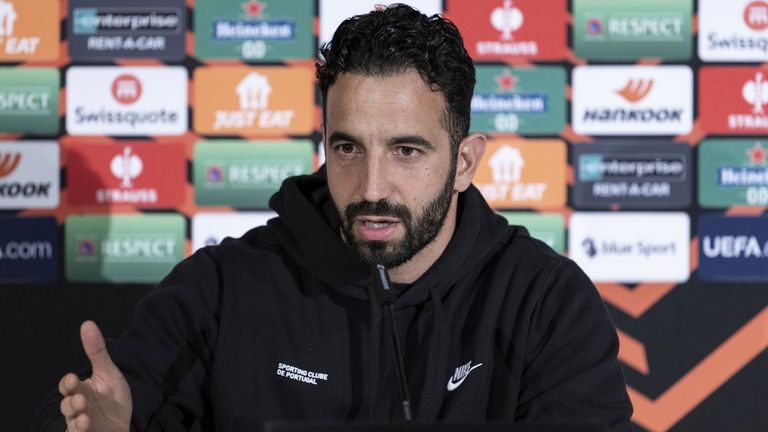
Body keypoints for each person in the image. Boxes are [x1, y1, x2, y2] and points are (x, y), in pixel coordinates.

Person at [35, 4, 633, 432]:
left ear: (464, 161)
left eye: (407, 150)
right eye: (348, 148)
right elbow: (106, 407)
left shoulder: (542, 302)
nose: (372, 189)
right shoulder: (223, 288)